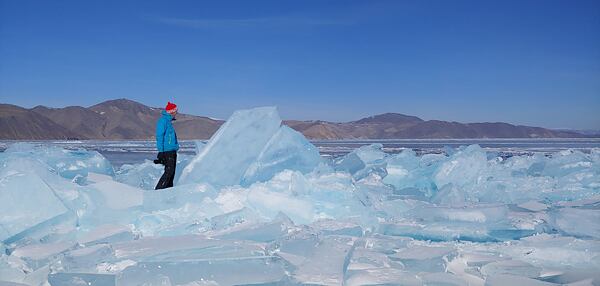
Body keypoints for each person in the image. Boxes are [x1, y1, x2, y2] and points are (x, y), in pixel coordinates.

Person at [154, 101, 179, 189]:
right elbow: (159, 136)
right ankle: (158, 192)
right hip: (167, 151)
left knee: (171, 173)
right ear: (171, 111)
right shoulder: (163, 121)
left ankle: (168, 193)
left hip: (172, 150)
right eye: (176, 111)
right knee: (169, 172)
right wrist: (161, 151)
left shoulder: (168, 122)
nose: (177, 112)